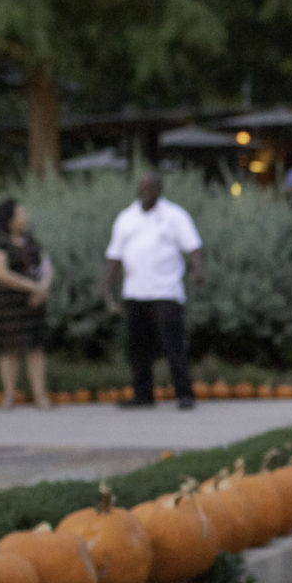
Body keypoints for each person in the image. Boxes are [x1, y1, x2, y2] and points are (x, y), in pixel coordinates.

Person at [100, 173, 203, 410]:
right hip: (135, 292)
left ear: (159, 190)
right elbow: (114, 255)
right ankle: (143, 394)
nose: (145, 192)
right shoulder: (126, 217)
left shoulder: (174, 216)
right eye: (142, 187)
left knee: (173, 346)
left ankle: (184, 393)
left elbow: (193, 246)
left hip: (166, 292)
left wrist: (197, 269)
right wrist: (106, 285)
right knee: (138, 348)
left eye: (150, 188)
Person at [0, 198, 53, 409]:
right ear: (9, 218)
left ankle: (39, 394)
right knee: (9, 350)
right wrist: (33, 287)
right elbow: (1, 273)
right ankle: (9, 395)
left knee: (35, 348)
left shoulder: (30, 239)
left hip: (33, 303)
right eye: (20, 214)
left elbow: (47, 264)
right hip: (10, 304)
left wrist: (43, 286)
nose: (24, 217)